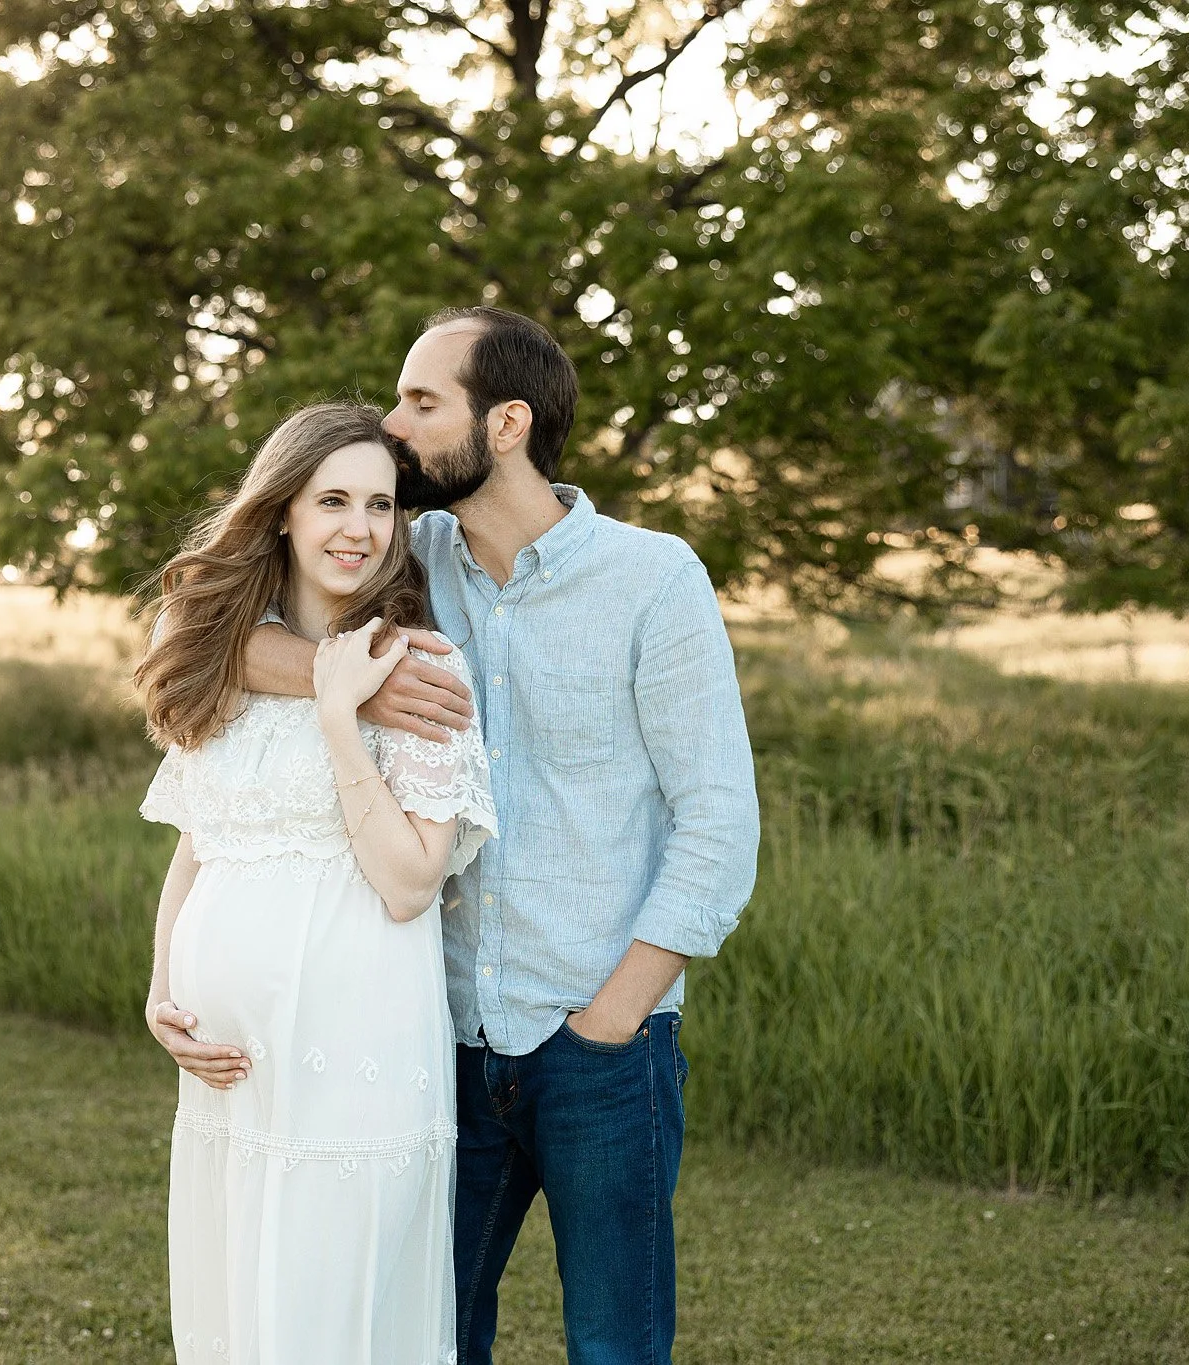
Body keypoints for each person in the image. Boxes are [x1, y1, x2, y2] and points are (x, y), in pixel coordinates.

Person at [243, 308, 761, 1365]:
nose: (392, 426)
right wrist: (353, 693)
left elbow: (717, 826)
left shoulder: (653, 579)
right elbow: (196, 631)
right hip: (427, 1039)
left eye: (421, 402)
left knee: (615, 1349)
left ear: (508, 423)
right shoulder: (402, 557)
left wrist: (610, 1021)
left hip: (600, 1050)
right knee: (426, 1340)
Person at [135, 401, 498, 1364]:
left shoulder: (422, 665)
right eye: (332, 500)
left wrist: (343, 721)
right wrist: (163, 988)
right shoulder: (231, 657)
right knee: (240, 1303)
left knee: (330, 1309)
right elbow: (202, 845)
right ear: (282, 511)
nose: (359, 528)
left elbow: (412, 882)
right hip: (228, 1068)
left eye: (380, 505)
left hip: (355, 1048)